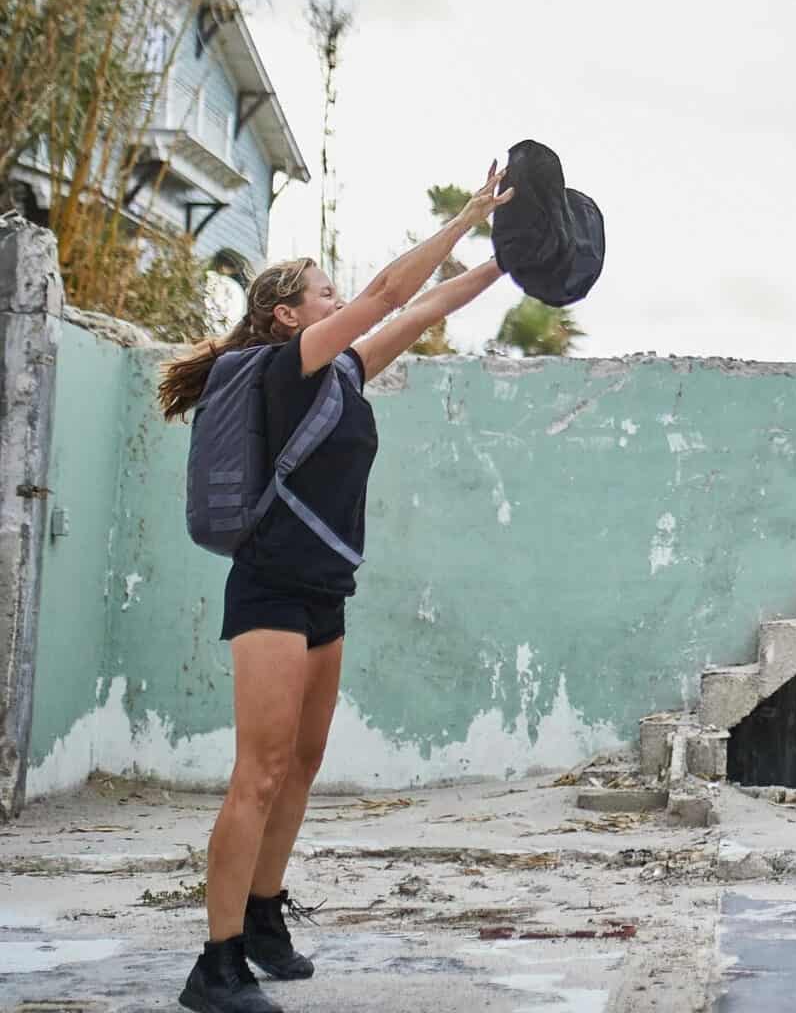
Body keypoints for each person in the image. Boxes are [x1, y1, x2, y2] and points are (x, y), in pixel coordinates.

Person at [157, 163, 513, 1013]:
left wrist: (513, 262)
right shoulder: (289, 367)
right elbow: (395, 287)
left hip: (325, 589)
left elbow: (423, 308)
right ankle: (215, 963)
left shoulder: (344, 371)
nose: (338, 299)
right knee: (260, 768)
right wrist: (464, 215)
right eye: (323, 292)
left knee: (305, 762)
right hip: (271, 589)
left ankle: (264, 916)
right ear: (288, 314)